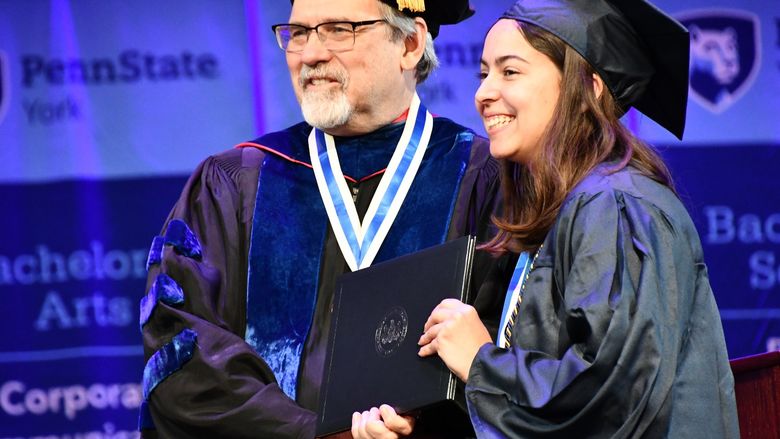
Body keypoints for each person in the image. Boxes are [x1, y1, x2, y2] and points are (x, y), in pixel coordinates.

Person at [354, 0, 740, 437]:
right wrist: (414, 419)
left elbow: (608, 395)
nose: (483, 93)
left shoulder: (615, 207)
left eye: (510, 71)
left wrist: (482, 361)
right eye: (483, 73)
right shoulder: (552, 219)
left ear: (589, 87)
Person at [138, 0, 503, 438]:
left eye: (337, 29)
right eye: (298, 34)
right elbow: (182, 350)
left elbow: (514, 353)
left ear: (409, 43)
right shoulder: (237, 184)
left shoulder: (485, 178)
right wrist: (313, 433)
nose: (310, 54)